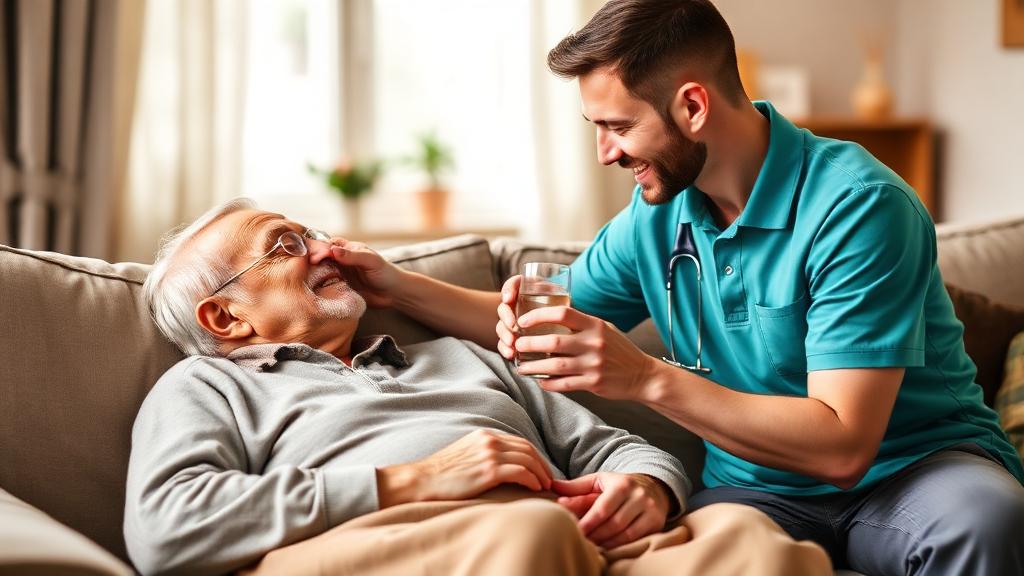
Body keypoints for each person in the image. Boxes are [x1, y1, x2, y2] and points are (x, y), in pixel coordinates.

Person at [330, 1, 1024, 574]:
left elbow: (843, 447)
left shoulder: (858, 206)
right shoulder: (657, 215)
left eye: (619, 126)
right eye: (596, 129)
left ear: (692, 106)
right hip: (753, 492)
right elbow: (542, 316)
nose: (606, 153)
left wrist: (644, 377)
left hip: (911, 471)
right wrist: (396, 285)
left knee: (987, 519)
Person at [124, 198, 830, 575]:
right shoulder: (207, 386)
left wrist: (648, 488)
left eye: (309, 232)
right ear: (226, 317)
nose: (322, 249)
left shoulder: (462, 357)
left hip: (569, 537)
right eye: (283, 246)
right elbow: (166, 527)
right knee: (530, 536)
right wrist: (416, 479)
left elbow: (612, 446)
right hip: (386, 544)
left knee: (749, 540)